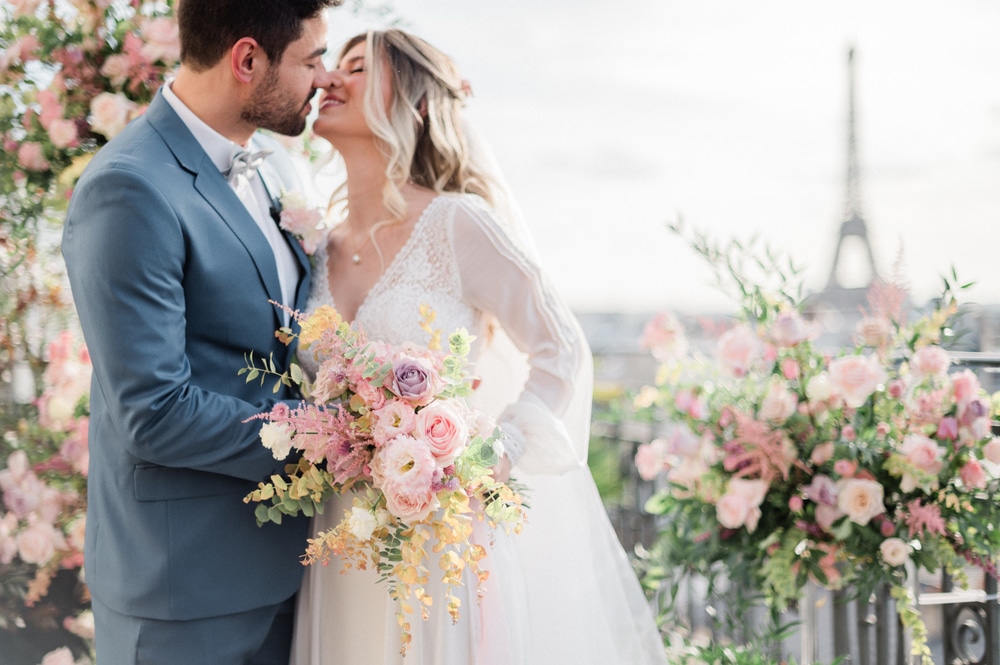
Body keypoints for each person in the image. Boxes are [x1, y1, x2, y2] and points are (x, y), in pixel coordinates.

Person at [291, 29, 667, 665]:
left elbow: (562, 348)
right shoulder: (312, 248)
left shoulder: (457, 223)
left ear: (412, 102)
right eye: (331, 65)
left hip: (440, 538)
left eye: (356, 68)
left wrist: (499, 451)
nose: (329, 78)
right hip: (337, 539)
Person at [60, 1, 339, 663]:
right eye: (311, 59)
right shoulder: (129, 189)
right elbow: (154, 410)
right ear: (247, 60)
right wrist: (330, 437)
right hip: (180, 588)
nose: (323, 77)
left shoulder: (272, 165)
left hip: (292, 569)